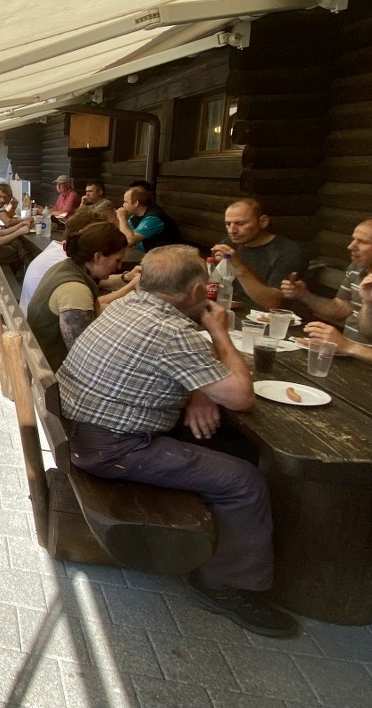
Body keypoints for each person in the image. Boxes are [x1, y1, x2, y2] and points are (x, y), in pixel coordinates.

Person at [57, 245, 297, 638]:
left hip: (86, 430)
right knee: (243, 481)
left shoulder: (126, 305)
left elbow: (172, 364)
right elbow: (241, 397)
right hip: (116, 449)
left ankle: (229, 547)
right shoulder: (173, 332)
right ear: (198, 290)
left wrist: (199, 391)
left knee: (227, 445)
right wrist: (219, 332)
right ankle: (223, 585)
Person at [26, 221, 138, 370]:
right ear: (98, 257)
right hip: (51, 370)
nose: (119, 266)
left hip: (40, 359)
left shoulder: (66, 266)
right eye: (117, 260)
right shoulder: (75, 290)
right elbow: (82, 354)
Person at [281, 218, 372, 352]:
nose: (351, 246)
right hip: (347, 353)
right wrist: (304, 295)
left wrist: (348, 346)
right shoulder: (356, 268)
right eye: (353, 239)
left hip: (358, 356)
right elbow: (341, 308)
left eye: (363, 242)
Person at [211, 199, 307, 310]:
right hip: (232, 308)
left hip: (264, 314)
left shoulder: (287, 251)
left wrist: (238, 265)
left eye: (240, 223)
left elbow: (274, 303)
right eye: (228, 224)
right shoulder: (228, 244)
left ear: (263, 222)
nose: (232, 230)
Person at [21, 208, 122, 311]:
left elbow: (96, 280)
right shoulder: (65, 263)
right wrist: (128, 288)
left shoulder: (59, 250)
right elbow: (90, 306)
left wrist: (124, 277)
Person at [115, 185, 179, 252]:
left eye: (126, 202)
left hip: (168, 255)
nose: (123, 205)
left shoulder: (154, 218)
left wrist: (122, 219)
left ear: (136, 203)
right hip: (149, 253)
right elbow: (123, 236)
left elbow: (129, 241)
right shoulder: (135, 216)